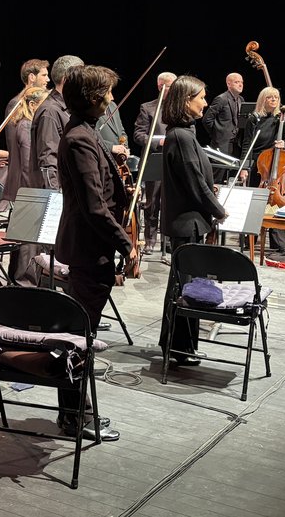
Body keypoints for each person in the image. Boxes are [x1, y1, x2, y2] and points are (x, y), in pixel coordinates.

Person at [54, 64, 132, 442]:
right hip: (88, 249)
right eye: (108, 94)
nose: (113, 100)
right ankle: (74, 416)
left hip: (88, 247)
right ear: (92, 98)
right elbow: (94, 207)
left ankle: (72, 414)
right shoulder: (80, 139)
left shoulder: (85, 133)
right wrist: (127, 244)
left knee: (78, 334)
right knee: (78, 338)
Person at [160, 75, 228, 365]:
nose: (204, 102)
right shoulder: (181, 136)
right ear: (186, 101)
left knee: (184, 286)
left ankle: (180, 347)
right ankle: (178, 348)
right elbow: (194, 182)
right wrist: (219, 210)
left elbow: (197, 177)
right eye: (200, 97)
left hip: (190, 222)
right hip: (186, 223)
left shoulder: (185, 133)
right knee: (184, 289)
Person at [239, 86, 285, 255]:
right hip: (259, 165)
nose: (274, 100)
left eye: (276, 97)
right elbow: (247, 145)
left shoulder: (283, 118)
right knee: (254, 204)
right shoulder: (253, 119)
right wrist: (244, 166)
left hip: (276, 164)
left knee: (277, 203)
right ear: (263, 100)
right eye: (270, 97)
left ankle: (279, 245)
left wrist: (283, 144)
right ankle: (249, 240)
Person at [3, 87, 49, 285]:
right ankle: (25, 282)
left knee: (24, 238)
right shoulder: (26, 126)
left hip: (23, 188)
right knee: (28, 242)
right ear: (32, 105)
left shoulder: (22, 123)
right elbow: (28, 163)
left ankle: (17, 279)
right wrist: (36, 194)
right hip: (28, 188)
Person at [133, 71, 177, 254]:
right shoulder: (148, 108)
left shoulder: (179, 108)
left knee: (171, 202)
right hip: (154, 160)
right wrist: (157, 141)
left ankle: (169, 241)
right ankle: (150, 240)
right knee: (152, 202)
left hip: (174, 161)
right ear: (161, 86)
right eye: (171, 86)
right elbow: (138, 135)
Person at [30, 54, 82, 190]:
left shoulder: (65, 108)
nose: (84, 83)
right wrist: (54, 196)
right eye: (81, 78)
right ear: (67, 79)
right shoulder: (50, 111)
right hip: (59, 192)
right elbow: (48, 159)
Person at [203, 72, 244, 158]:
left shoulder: (241, 99)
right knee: (220, 170)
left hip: (236, 144)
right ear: (228, 84)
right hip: (222, 143)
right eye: (237, 82)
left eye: (241, 82)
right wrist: (217, 134)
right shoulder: (221, 98)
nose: (240, 85)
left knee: (232, 170)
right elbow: (207, 119)